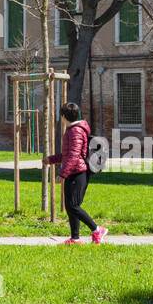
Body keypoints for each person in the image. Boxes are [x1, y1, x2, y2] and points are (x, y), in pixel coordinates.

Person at [46, 102, 108, 245]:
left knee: (73, 205)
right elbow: (69, 154)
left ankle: (97, 229)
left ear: (64, 116)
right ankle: (75, 238)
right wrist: (51, 159)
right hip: (75, 171)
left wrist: (62, 174)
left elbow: (74, 156)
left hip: (78, 173)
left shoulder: (75, 131)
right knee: (70, 206)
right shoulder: (72, 129)